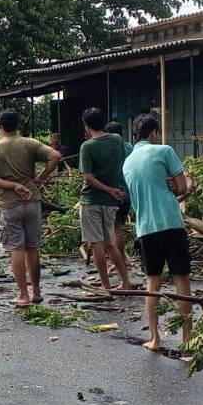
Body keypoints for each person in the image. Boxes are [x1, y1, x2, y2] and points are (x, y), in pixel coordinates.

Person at [122, 113, 191, 352]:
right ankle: (187, 338)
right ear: (153, 132)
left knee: (153, 282)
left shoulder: (127, 162)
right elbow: (182, 188)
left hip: (145, 228)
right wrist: (180, 185)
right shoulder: (164, 151)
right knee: (181, 278)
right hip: (170, 223)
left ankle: (154, 338)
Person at [0, 109, 61, 307]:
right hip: (32, 202)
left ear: (0, 126)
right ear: (17, 126)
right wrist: (42, 177)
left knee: (16, 248)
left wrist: (13, 185)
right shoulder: (30, 143)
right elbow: (55, 156)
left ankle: (23, 294)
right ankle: (36, 291)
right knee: (31, 247)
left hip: (8, 204)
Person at [79, 108, 131, 290]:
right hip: (111, 201)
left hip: (92, 199)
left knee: (97, 243)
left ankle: (106, 285)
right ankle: (125, 282)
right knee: (110, 243)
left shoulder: (87, 147)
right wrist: (112, 190)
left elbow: (88, 177)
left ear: (86, 126)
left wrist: (108, 190)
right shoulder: (117, 140)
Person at [104, 121, 135, 267]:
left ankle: (119, 262)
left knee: (114, 229)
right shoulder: (129, 147)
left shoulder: (107, 149)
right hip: (127, 192)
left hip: (113, 192)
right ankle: (122, 260)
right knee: (118, 228)